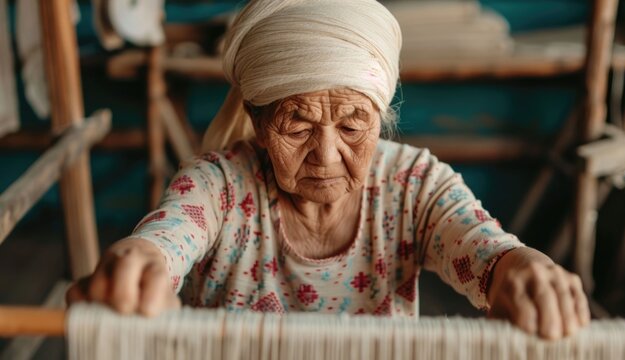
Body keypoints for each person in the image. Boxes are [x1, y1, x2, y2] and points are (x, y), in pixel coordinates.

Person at [67, 0, 590, 340]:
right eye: (297, 127)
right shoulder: (219, 186)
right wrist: (141, 259)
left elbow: (480, 244)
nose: (326, 154)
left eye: (353, 125)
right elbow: (170, 234)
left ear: (381, 119)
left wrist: (517, 267)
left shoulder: (413, 187)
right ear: (256, 116)